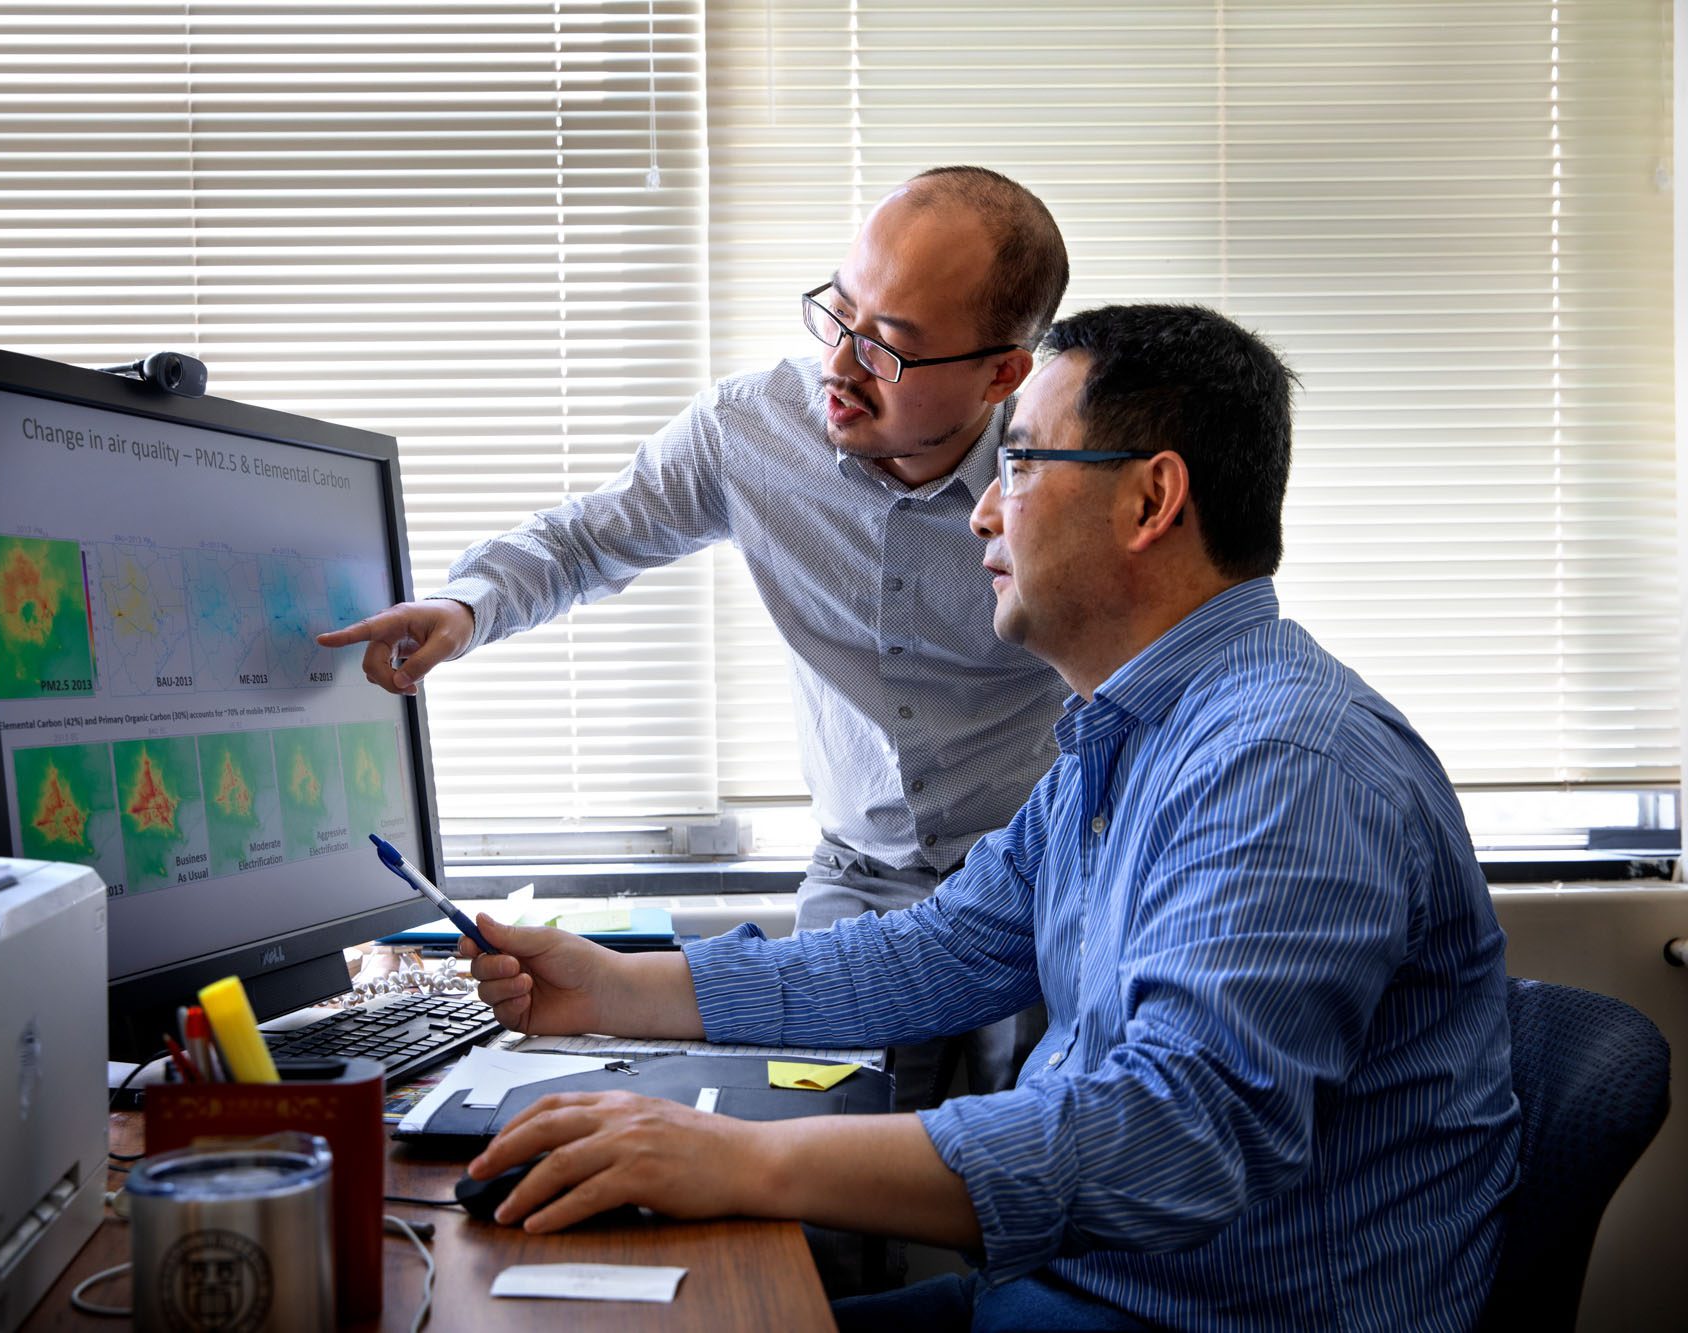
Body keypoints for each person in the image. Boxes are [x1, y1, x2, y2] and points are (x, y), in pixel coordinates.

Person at [455, 304, 1519, 1333]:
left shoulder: (1285, 763)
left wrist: (736, 1157)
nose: (979, 510)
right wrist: (619, 987)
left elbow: (1172, 1136)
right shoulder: (1129, 733)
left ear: (1150, 501)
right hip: (1083, 1296)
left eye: (1018, 463)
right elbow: (941, 949)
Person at [319, 166, 1071, 1109]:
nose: (838, 366)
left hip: (1044, 879)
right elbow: (588, 537)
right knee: (821, 1171)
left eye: (886, 348)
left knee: (1027, 1160)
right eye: (836, 314)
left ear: (1003, 372)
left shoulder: (1061, 473)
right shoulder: (752, 431)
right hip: (860, 874)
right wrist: (466, 608)